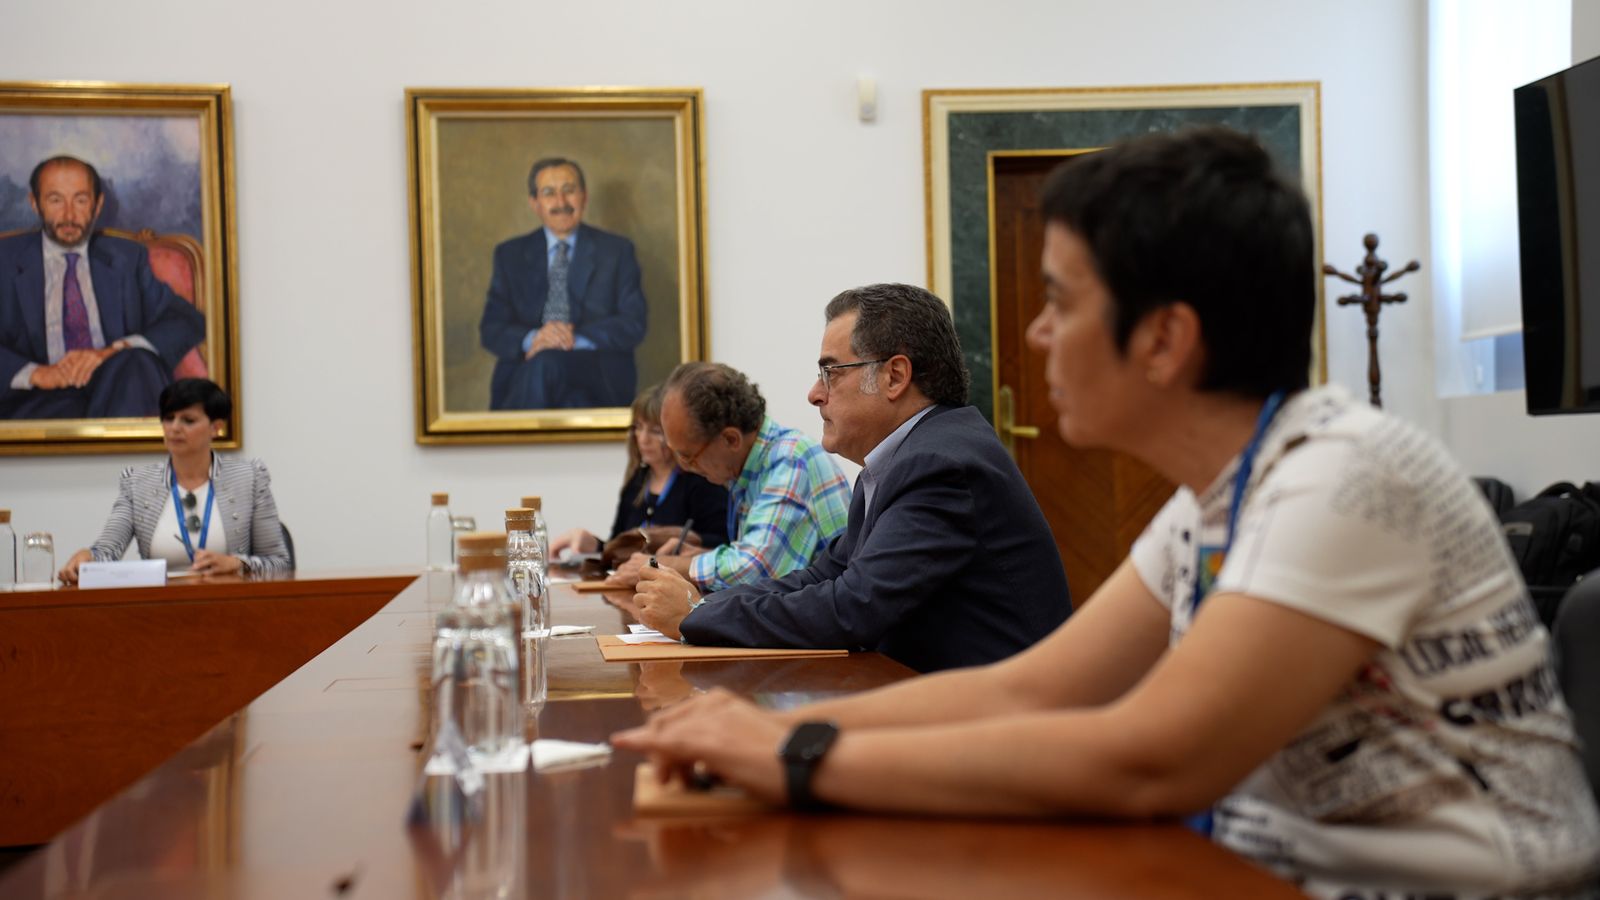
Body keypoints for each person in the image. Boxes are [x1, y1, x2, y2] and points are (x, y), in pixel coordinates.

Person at [614, 128, 1600, 898]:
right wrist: (761, 728)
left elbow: (1147, 761)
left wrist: (797, 752)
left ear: (1165, 338)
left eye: (1060, 300)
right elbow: (1031, 690)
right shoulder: (1221, 491)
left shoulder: (1345, 479)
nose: (1036, 333)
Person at [629, 284, 1073, 672]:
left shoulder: (941, 464)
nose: (814, 392)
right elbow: (824, 576)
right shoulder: (900, 460)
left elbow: (854, 608)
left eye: (830, 371)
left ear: (895, 376)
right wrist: (703, 606)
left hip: (997, 730)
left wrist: (695, 613)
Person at [607, 362, 850, 592]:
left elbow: (754, 571)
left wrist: (664, 565)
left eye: (689, 456)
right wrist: (699, 558)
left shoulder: (790, 460)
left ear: (731, 439)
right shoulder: (749, 469)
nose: (686, 467)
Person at [0, 155, 207, 420]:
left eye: (81, 200)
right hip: (38, 401)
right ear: (34, 203)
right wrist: (36, 373)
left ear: (97, 206)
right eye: (55, 200)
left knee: (136, 361)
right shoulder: (5, 261)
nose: (69, 215)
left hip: (121, 388)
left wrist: (112, 351)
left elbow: (185, 320)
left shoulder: (127, 260)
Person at [59, 378, 291, 583]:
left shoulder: (249, 478)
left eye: (188, 420)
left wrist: (237, 565)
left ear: (215, 427)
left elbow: (280, 564)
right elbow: (107, 552)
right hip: (159, 612)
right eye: (169, 419)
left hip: (232, 609)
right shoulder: (137, 482)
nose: (174, 428)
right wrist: (87, 557)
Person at [479, 157, 647, 410]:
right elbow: (491, 328)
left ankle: (514, 446)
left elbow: (634, 322)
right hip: (526, 372)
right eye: (549, 193)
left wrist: (573, 338)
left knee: (549, 364)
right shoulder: (510, 254)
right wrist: (534, 338)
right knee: (568, 398)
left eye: (569, 191)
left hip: (598, 371)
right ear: (534, 203)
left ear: (584, 197)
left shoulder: (616, 251)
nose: (561, 203)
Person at [549, 383, 730, 559]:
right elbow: (621, 549)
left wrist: (686, 542)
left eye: (655, 431)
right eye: (638, 427)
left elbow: (725, 545)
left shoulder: (702, 482)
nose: (643, 439)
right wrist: (595, 545)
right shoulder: (638, 482)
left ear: (676, 434)